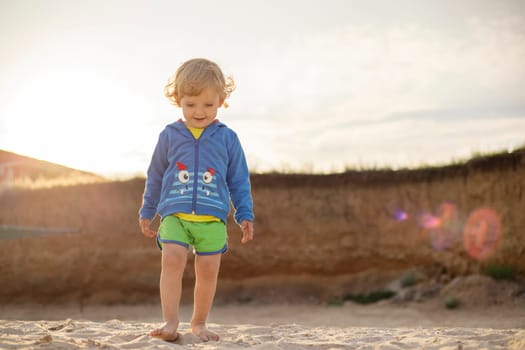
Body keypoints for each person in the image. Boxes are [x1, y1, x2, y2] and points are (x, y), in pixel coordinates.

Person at [139, 58, 254, 342]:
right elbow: (154, 174)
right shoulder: (169, 135)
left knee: (207, 270)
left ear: (221, 101)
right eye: (190, 105)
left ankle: (199, 323)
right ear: (178, 100)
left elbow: (239, 180)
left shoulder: (228, 139)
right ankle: (169, 322)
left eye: (208, 105)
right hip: (175, 214)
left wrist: (244, 214)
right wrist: (148, 209)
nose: (199, 112)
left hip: (212, 218)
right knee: (173, 262)